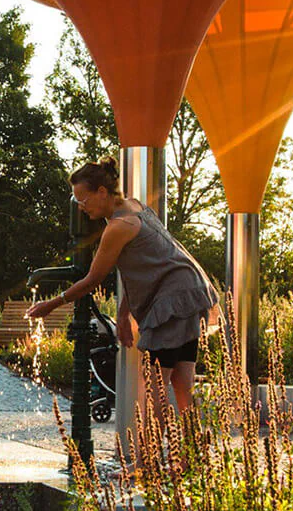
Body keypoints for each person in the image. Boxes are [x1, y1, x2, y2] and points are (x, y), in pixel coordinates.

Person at [27, 157, 220, 416]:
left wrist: (51, 304)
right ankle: (191, 456)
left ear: (102, 192)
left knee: (154, 391)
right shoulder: (136, 207)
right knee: (183, 388)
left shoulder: (118, 227)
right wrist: (123, 313)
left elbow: (93, 279)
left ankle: (147, 458)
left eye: (82, 201)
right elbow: (139, 268)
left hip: (171, 303)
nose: (81, 209)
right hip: (190, 292)